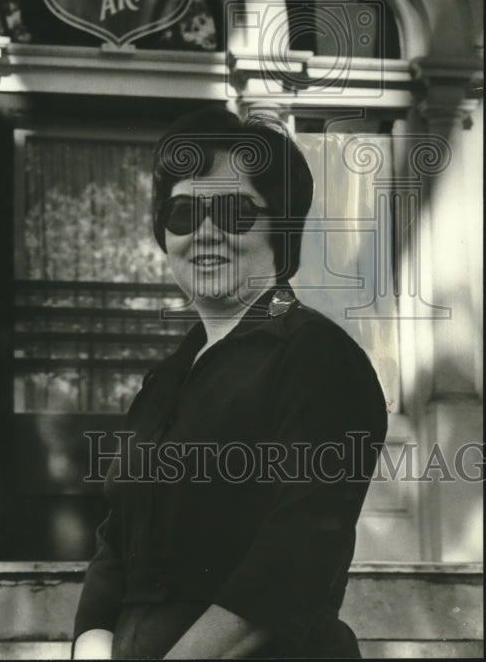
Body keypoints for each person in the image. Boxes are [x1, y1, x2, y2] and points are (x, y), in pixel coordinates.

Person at [72, 106, 388, 659]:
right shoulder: (166, 380)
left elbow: (297, 554)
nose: (206, 233)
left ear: (281, 226)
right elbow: (115, 549)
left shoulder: (315, 356)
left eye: (236, 212)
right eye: (183, 214)